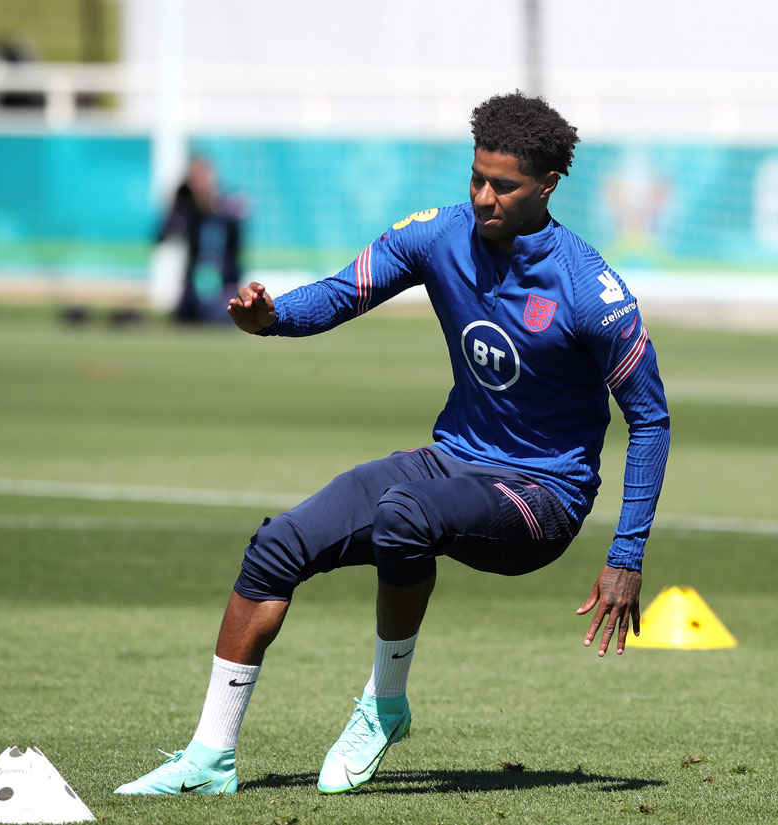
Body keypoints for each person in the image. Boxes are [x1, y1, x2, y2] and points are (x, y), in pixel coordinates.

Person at [114, 92, 670, 797]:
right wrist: (273, 317)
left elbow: (650, 419)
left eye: (504, 185)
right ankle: (209, 755)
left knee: (406, 513)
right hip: (453, 460)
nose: (483, 196)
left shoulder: (592, 291)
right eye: (476, 177)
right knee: (278, 544)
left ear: (548, 185)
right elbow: (345, 291)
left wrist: (626, 554)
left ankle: (384, 705)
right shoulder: (439, 235)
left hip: (542, 498)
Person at [158, 157, 246, 323]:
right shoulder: (187, 210)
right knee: (186, 320)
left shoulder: (228, 206)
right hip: (194, 289)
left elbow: (236, 244)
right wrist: (176, 204)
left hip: (223, 287)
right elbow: (164, 235)